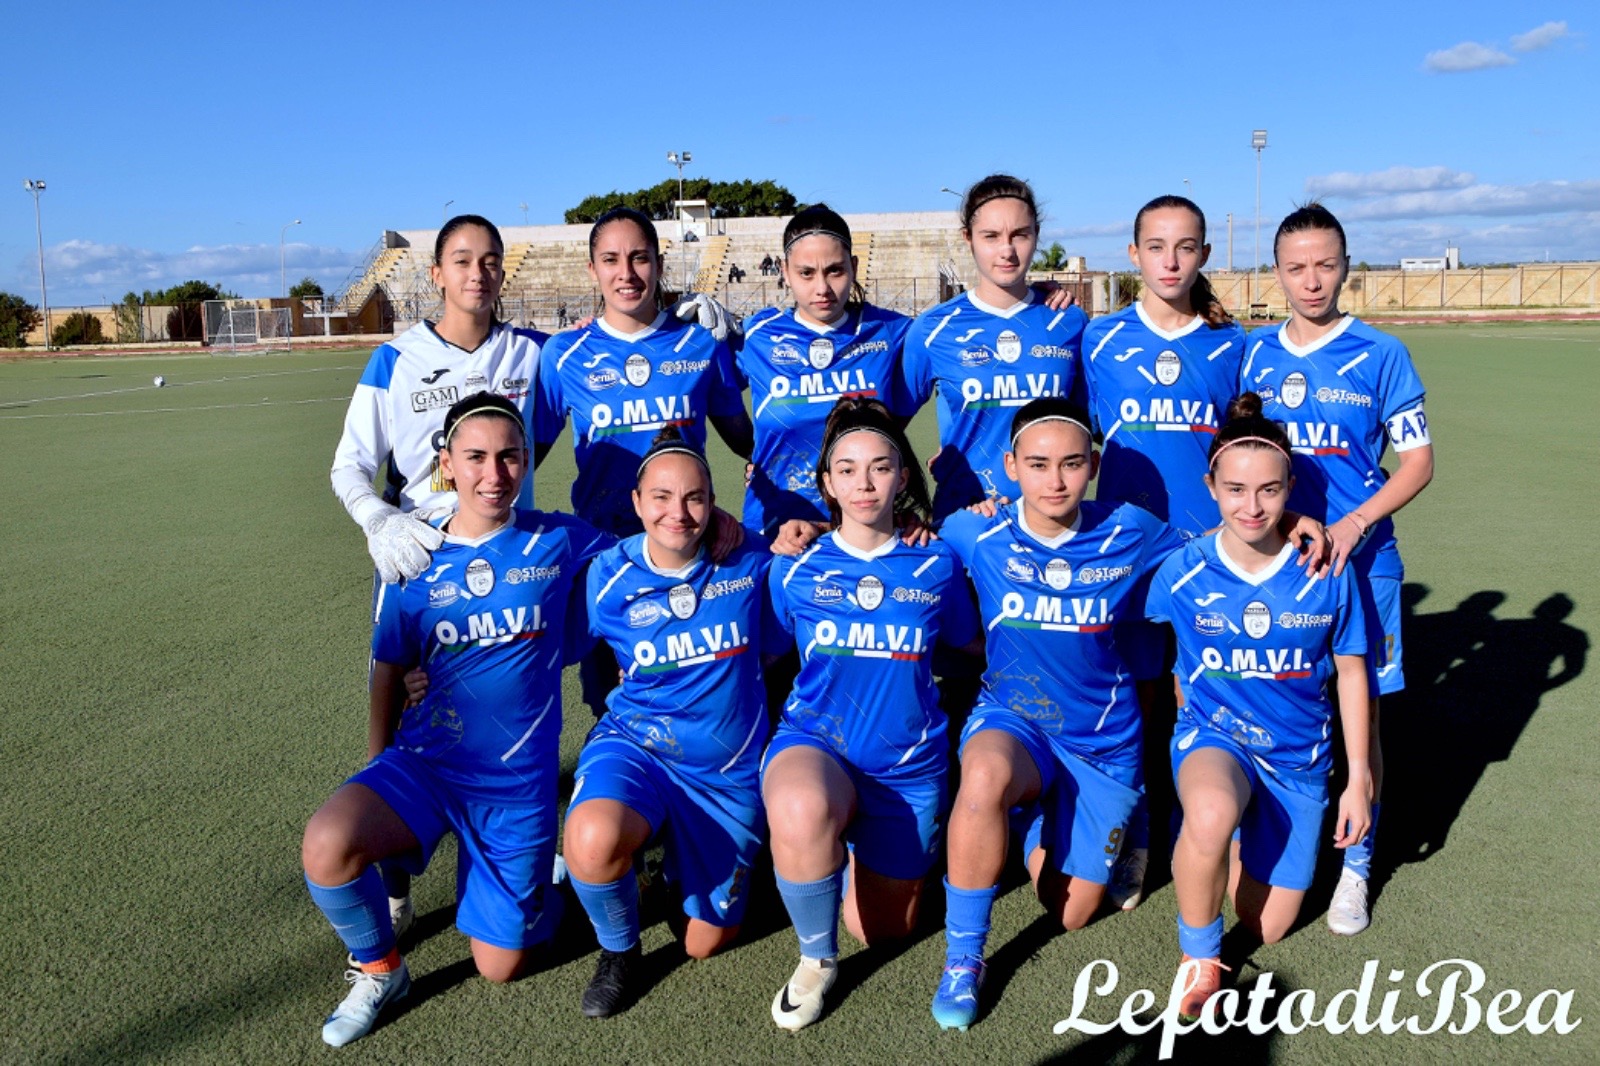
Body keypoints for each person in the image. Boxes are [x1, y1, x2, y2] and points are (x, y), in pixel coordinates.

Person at [930, 398, 1330, 1031]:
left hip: (1104, 744)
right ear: (1010, 467)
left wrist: (1295, 518)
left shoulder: (1133, 530)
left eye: (1070, 464)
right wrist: (799, 535)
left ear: (1092, 466)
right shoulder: (972, 532)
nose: (1054, 480)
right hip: (1015, 721)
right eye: (1036, 465)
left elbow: (1225, 543)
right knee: (981, 778)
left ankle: (1047, 814)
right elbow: (889, 545)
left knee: (1069, 912)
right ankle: (963, 960)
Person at [301, 393, 611, 1047]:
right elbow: (390, 668)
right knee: (328, 845)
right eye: (475, 457)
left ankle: (549, 882)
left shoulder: (558, 539)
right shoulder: (413, 556)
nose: (493, 473)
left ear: (527, 462)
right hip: (426, 765)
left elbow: (652, 555)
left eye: (509, 457)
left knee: (500, 967)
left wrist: (728, 529)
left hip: (513, 789)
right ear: (447, 464)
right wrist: (376, 763)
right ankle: (381, 970)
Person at [1145, 393, 1370, 1019]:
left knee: (1268, 926)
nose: (1252, 506)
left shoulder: (1324, 568)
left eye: (1270, 491)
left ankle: (1225, 834)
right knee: (1212, 808)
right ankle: (1199, 958)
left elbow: (1351, 673)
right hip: (1215, 737)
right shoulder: (1181, 570)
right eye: (1236, 489)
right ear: (1211, 486)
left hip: (1300, 758)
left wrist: (1359, 780)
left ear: (1290, 489)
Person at [1242, 202, 1433, 935]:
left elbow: (1417, 462)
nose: (1312, 280)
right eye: (1296, 266)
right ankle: (1271, 837)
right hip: (1278, 565)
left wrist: (1355, 522)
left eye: (1326, 264)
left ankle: (1356, 868)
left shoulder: (1382, 354)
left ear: (1346, 264)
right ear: (1278, 272)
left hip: (1364, 561)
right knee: (1278, 696)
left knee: (1366, 714)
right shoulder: (1255, 354)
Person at [763, 398, 981, 1032]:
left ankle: (863, 844)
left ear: (903, 477)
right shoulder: (793, 565)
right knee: (802, 807)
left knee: (883, 931)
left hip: (907, 767)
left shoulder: (937, 562)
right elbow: (771, 650)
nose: (864, 483)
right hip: (819, 745)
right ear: (826, 482)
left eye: (880, 468)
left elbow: (972, 643)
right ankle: (814, 960)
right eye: (848, 469)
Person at [563, 428, 786, 1018]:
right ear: (637, 503)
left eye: (695, 497)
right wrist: (424, 676)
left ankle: (674, 866)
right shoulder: (605, 575)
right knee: (590, 839)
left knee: (703, 943)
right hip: (639, 748)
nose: (678, 513)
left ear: (715, 503)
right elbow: (530, 646)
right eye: (661, 497)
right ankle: (619, 950)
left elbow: (807, 595)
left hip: (725, 773)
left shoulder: (749, 558)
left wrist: (801, 531)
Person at [1080, 194, 1247, 910]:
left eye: (1185, 247)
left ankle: (1204, 830)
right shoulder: (1097, 341)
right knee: (1136, 696)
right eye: (1156, 246)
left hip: (1211, 554)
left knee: (1202, 694)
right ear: (1134, 255)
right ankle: (1138, 826)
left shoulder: (1231, 345)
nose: (1171, 260)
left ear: (1204, 255)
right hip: (1126, 556)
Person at [534, 206, 754, 536]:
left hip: (687, 539)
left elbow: (749, 443)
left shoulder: (702, 341)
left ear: (659, 264)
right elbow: (523, 460)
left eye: (639, 258)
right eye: (610, 260)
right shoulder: (565, 354)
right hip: (602, 548)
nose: (626, 273)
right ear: (592, 270)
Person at [902, 174, 1090, 520]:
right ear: (968, 239)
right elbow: (888, 426)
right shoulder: (932, 330)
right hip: (967, 520)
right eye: (991, 236)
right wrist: (902, 502)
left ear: (1035, 235)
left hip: (1054, 524)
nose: (1007, 250)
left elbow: (1090, 423)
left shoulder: (1069, 322)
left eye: (1020, 234)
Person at [737, 204, 915, 537]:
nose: (822, 287)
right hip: (777, 531)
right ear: (785, 271)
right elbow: (702, 388)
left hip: (867, 526)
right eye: (806, 273)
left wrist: (1039, 296)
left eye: (835, 270)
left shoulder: (892, 331)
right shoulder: (756, 337)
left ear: (854, 267)